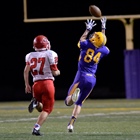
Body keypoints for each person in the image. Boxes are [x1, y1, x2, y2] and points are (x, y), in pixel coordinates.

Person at [65, 17, 110, 132]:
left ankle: (73, 97)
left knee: (68, 101)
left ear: (94, 40)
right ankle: (71, 124)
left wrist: (87, 29)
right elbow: (102, 42)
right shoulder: (104, 50)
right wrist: (103, 28)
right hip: (92, 80)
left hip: (81, 76)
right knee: (79, 103)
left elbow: (81, 39)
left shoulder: (85, 45)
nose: (92, 35)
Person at [23, 35, 60, 136]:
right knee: (47, 109)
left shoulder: (29, 55)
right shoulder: (50, 53)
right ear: (46, 44)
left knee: (41, 107)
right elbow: (54, 72)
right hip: (47, 83)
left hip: (36, 84)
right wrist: (58, 72)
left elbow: (26, 71)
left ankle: (36, 102)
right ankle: (36, 128)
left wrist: (27, 84)